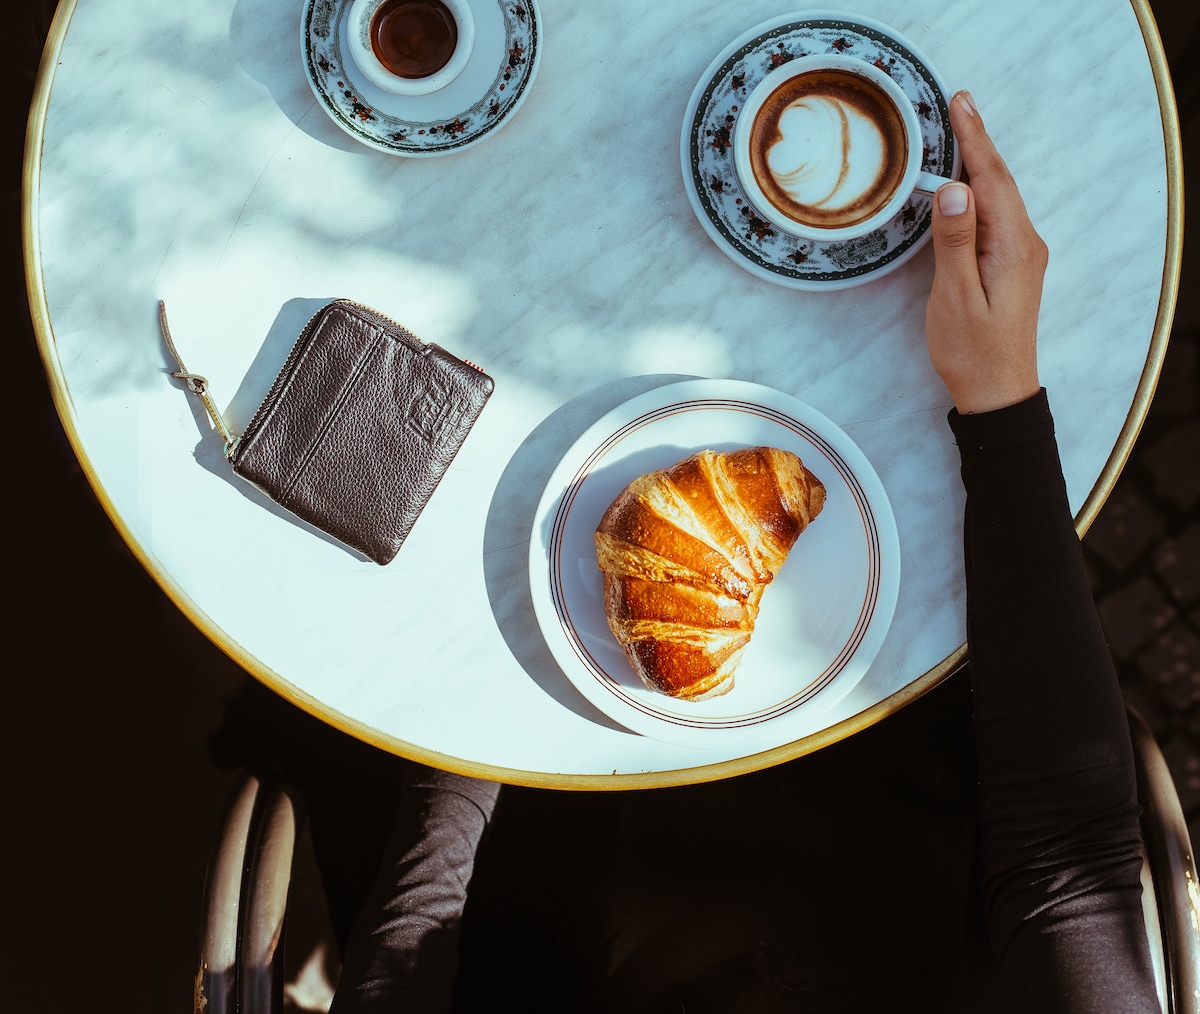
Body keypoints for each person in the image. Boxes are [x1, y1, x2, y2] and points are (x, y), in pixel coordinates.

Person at [324, 92, 1160, 1013]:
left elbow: (401, 958)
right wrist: (996, 397)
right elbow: (1067, 860)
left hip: (562, 773)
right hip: (919, 726)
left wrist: (515, 650)